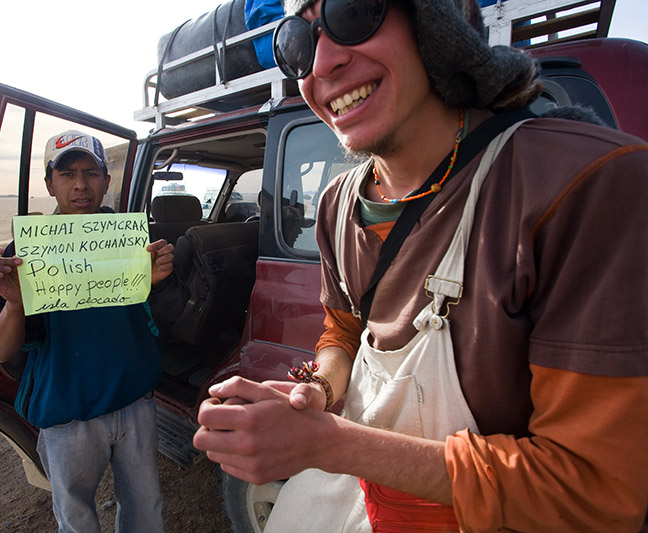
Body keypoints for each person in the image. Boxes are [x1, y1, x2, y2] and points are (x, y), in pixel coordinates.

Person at [193, 0, 648, 531]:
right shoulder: (338, 204)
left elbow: (594, 493)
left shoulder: (581, 183)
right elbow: (343, 332)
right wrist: (314, 391)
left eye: (354, 11)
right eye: (299, 42)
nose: (322, 65)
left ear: (440, 24)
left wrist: (328, 442)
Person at [0, 129, 174, 533]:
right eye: (67, 174)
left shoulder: (132, 242)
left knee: (146, 508)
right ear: (50, 184)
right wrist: (15, 302)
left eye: (91, 173)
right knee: (76, 518)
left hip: (135, 401)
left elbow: (160, 319)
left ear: (107, 181)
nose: (81, 184)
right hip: (67, 413)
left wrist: (155, 281)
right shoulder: (21, 255)